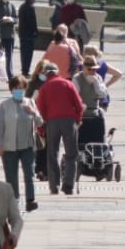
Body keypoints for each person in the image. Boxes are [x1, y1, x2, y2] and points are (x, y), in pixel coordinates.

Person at [34, 58, 85, 195]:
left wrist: (41, 128)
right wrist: (78, 120)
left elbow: (40, 110)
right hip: (69, 122)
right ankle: (68, 184)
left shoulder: (44, 88)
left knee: (52, 154)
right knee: (71, 154)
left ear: (45, 73)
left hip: (52, 122)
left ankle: (54, 185)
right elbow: (79, 105)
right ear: (57, 72)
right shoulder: (68, 84)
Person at [0, 73, 41, 212]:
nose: (19, 91)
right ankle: (13, 200)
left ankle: (30, 200)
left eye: (22, 88)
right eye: (16, 88)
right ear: (11, 90)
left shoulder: (30, 102)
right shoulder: (5, 105)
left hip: (27, 145)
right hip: (9, 146)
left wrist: (34, 113)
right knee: (11, 175)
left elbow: (40, 122)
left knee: (29, 173)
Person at [17, 0, 41, 76]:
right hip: (29, 34)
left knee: (23, 53)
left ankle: (24, 69)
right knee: (28, 53)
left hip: (22, 33)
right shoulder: (30, 8)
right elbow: (32, 22)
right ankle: (26, 70)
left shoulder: (22, 7)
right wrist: (35, 31)